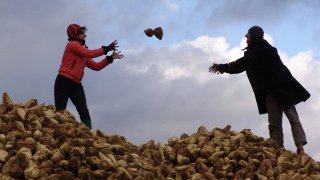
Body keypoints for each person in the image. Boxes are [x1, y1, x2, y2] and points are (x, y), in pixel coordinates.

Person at [209, 26, 310, 154]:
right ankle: (277, 149)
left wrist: (223, 66)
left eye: (248, 34)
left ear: (254, 36)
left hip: (282, 88)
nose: (246, 36)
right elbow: (241, 66)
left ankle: (300, 147)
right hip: (270, 92)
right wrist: (222, 68)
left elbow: (245, 61)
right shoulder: (253, 52)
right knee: (274, 123)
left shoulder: (264, 48)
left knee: (292, 117)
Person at [54, 24, 124, 129]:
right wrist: (107, 48)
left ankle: (89, 135)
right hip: (63, 81)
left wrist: (110, 58)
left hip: (76, 84)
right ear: (75, 34)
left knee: (83, 110)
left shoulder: (82, 51)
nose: (85, 36)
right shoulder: (72, 45)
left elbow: (96, 66)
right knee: (60, 111)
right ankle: (58, 134)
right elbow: (90, 53)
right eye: (82, 33)